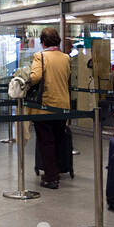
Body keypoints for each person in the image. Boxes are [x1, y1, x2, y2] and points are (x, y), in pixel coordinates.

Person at [28, 27, 72, 190]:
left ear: (43, 42)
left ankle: (51, 177)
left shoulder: (40, 57)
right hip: (63, 104)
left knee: (46, 141)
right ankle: (57, 169)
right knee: (58, 139)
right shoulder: (66, 58)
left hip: (45, 105)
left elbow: (36, 77)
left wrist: (25, 78)